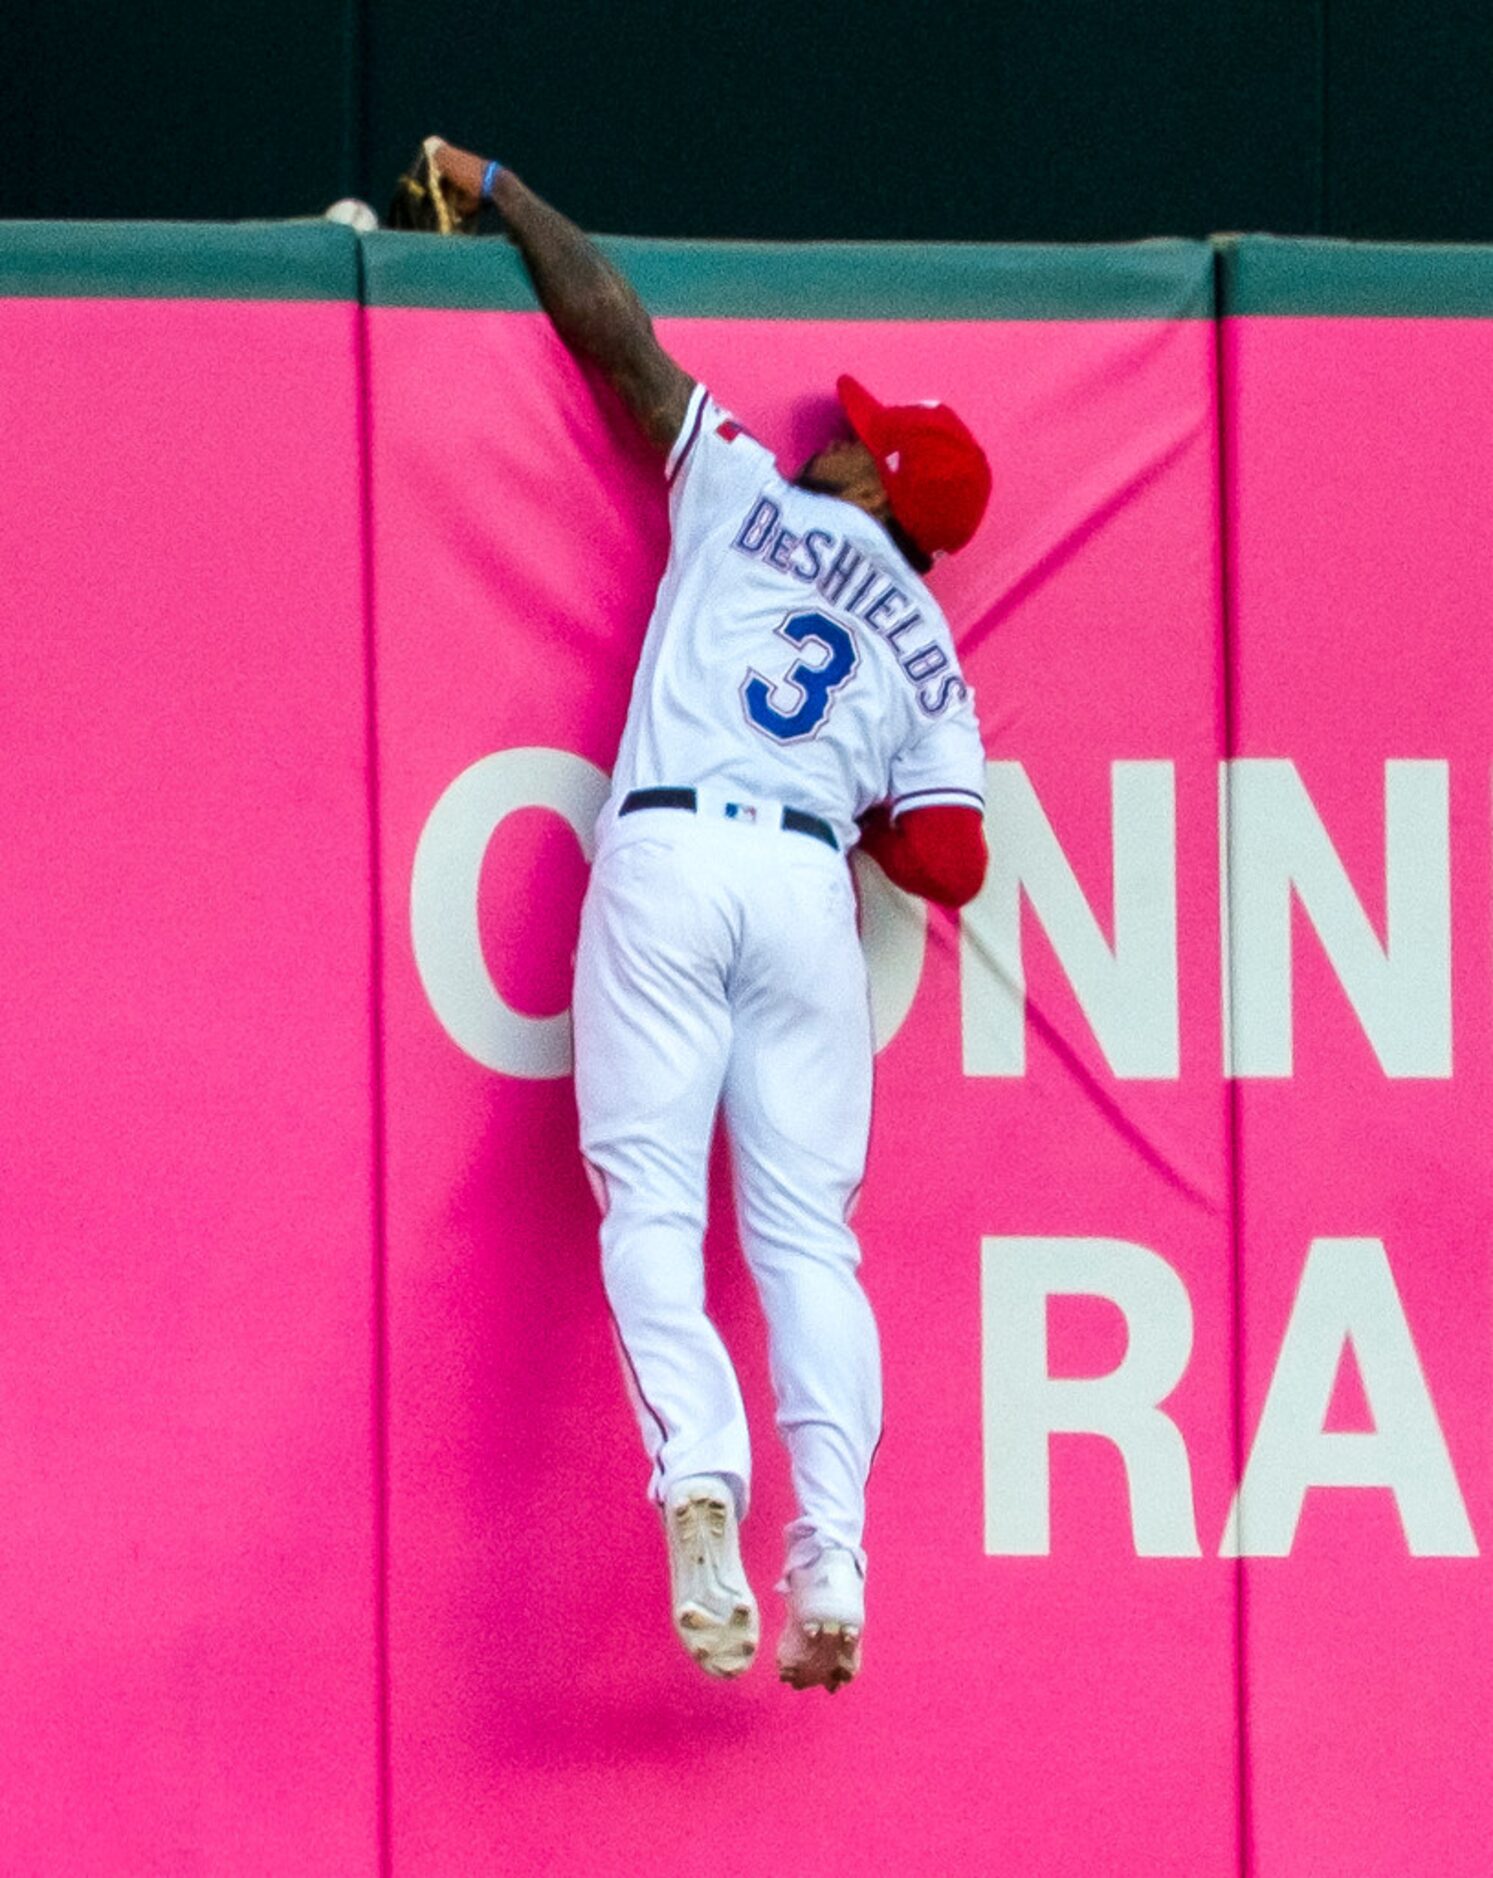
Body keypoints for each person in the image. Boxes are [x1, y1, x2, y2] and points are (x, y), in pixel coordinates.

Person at [427, 139, 992, 1692]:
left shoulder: (743, 482)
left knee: (655, 1213)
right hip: (808, 888)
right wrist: (859, 790)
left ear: (880, 484)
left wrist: (500, 190)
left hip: (675, 859)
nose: (834, 441)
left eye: (860, 443)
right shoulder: (931, 647)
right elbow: (949, 859)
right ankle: (833, 1561)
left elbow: (618, 337)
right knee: (810, 1241)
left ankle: (696, 1481)